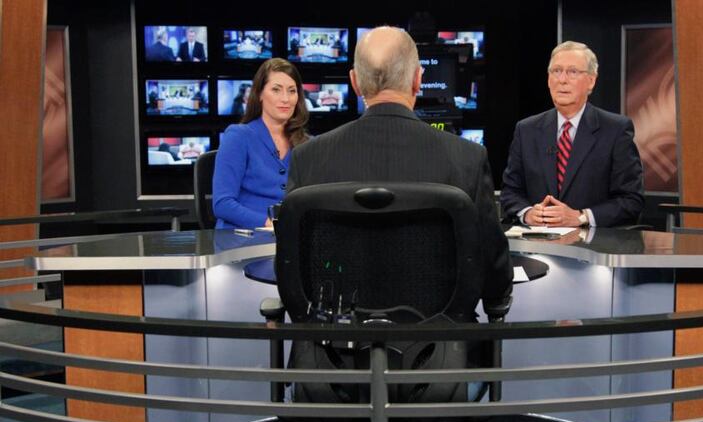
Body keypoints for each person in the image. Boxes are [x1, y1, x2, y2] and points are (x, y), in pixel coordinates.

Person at [288, 26, 512, 309]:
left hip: (334, 345)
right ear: (418, 79)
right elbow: (495, 274)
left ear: (355, 83)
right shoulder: (467, 158)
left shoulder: (307, 158)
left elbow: (292, 268)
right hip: (441, 343)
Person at [500, 41, 644, 228]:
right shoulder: (526, 129)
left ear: (591, 80)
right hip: (537, 244)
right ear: (548, 79)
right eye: (556, 71)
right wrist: (527, 213)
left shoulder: (616, 129)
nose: (562, 80)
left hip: (593, 247)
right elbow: (510, 192)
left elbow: (631, 200)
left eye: (573, 72)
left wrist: (580, 217)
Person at [213, 58, 309, 229]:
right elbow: (222, 203)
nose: (285, 99)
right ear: (259, 94)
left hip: (290, 238)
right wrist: (269, 224)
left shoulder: (308, 144)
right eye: (276, 90)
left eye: (292, 91)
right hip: (242, 238)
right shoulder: (238, 136)